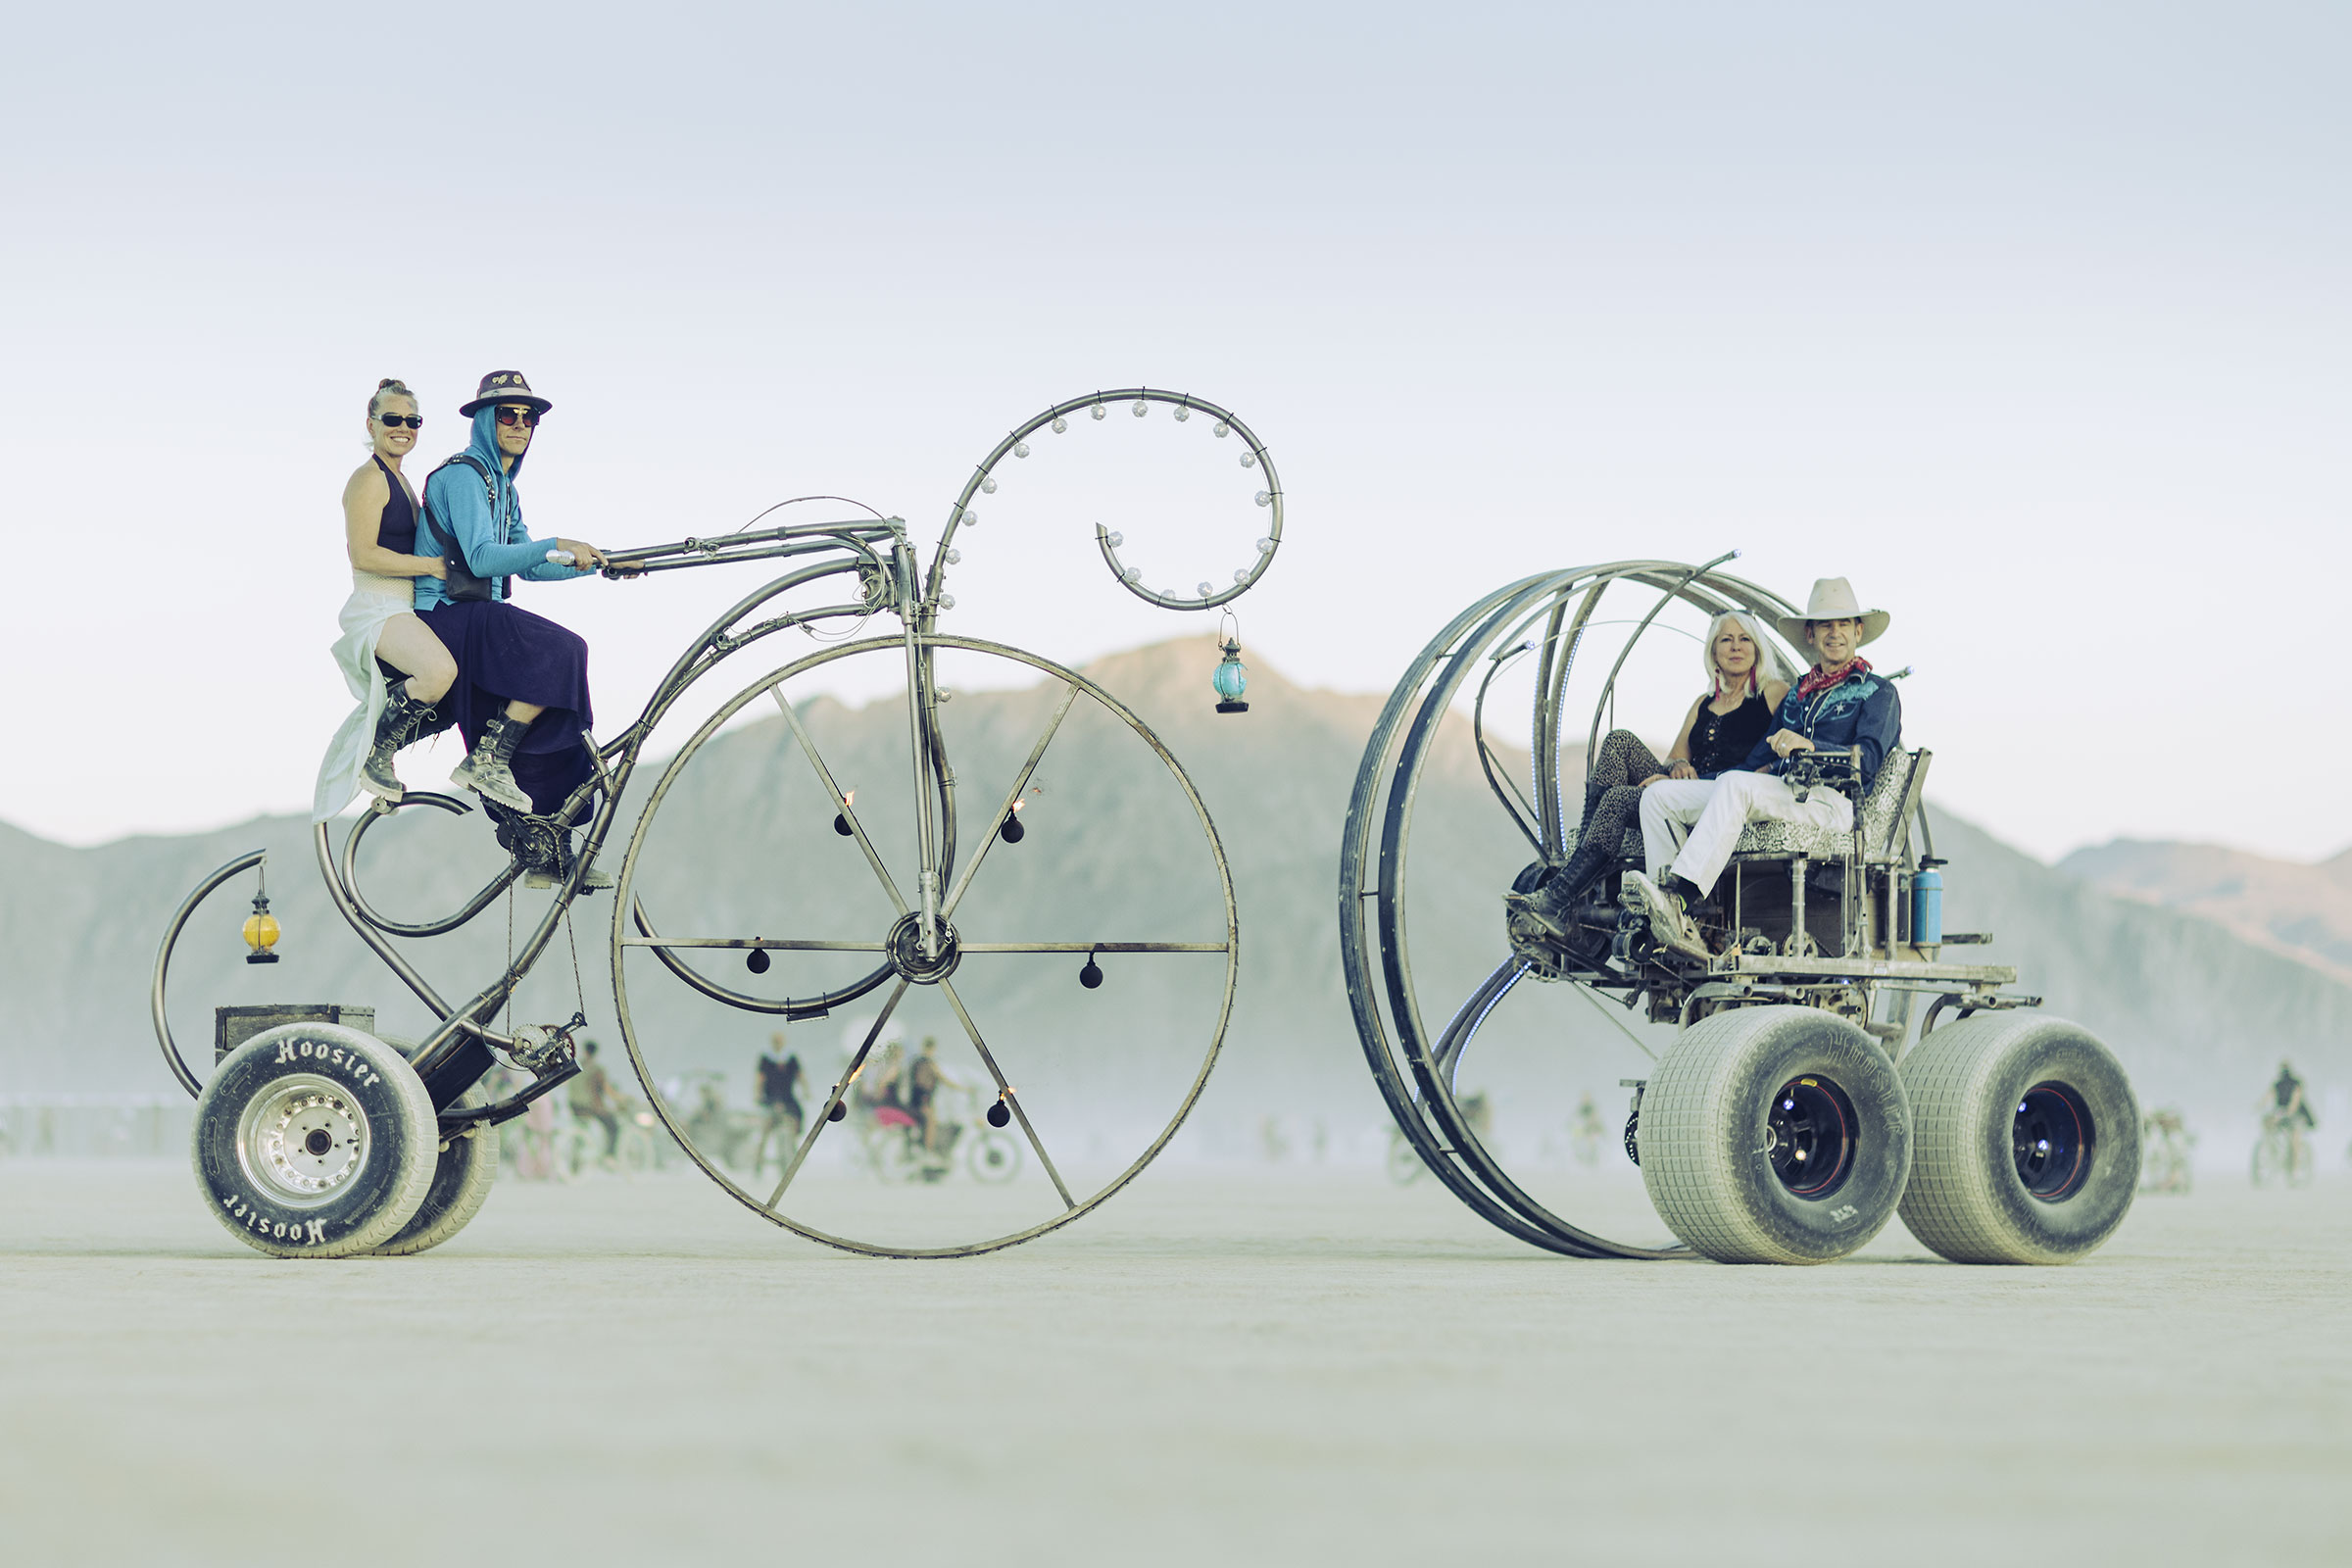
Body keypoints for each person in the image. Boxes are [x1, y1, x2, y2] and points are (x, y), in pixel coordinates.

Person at [1627, 577, 1901, 958]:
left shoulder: (1878, 692)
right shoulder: (1799, 694)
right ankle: (1670, 915)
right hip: (1786, 793)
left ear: (1858, 631)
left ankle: (1682, 898)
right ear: (1811, 634)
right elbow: (1751, 765)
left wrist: (1811, 745)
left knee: (1738, 787)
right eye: (1825, 624)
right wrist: (1685, 781)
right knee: (1658, 798)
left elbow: (1866, 762)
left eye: (1843, 624)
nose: (1834, 633)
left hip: (1832, 804)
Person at [415, 370, 611, 886]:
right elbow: (481, 559)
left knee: (557, 711)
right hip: (449, 617)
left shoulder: (504, 489)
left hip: (482, 618)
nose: (521, 424)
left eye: (530, 417)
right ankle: (488, 757)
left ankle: (545, 847)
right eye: (508, 414)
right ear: (484, 420)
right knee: (564, 653)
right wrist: (556, 540)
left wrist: (589, 562)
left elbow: (525, 564)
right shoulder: (461, 476)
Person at [1506, 609, 1791, 956]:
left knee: (1617, 802)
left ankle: (1561, 894)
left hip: (1726, 795)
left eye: (1744, 639)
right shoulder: (1704, 703)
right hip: (1686, 788)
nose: (1735, 647)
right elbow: (1676, 755)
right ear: (1713, 651)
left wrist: (1679, 781)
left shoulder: (1772, 692)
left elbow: (1781, 751)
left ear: (1758, 649)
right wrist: (1677, 766)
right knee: (1619, 741)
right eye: (1726, 640)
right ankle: (1578, 862)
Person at [312, 378, 465, 817]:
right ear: (371, 424)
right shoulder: (368, 480)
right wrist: (433, 567)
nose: (403, 428)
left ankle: (384, 755)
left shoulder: (402, 480)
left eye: (412, 421)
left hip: (405, 608)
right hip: (379, 607)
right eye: (392, 419)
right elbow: (362, 554)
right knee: (437, 673)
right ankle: (377, 754)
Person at [753, 1032, 805, 1172]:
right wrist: (757, 1094)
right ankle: (758, 1162)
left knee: (797, 1119)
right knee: (764, 1130)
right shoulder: (766, 1059)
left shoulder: (791, 1058)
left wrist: (806, 1091)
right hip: (770, 1099)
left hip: (788, 1099)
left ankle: (793, 1148)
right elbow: (760, 1078)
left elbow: (800, 1076)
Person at [566, 1039, 620, 1164]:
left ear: (584, 1050)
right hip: (589, 1106)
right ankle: (609, 1156)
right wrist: (621, 1099)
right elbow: (607, 1091)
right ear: (595, 1053)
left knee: (581, 1127)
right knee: (613, 1126)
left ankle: (575, 1162)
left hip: (574, 1106)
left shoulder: (574, 1065)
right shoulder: (597, 1069)